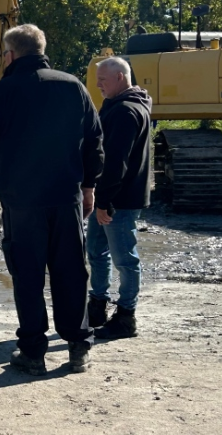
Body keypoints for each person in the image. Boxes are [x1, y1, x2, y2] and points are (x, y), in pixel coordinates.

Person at [0, 24, 104, 375]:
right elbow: (95, 140)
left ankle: (34, 351)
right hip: (66, 196)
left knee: (28, 275)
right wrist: (89, 187)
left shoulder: (2, 91)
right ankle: (78, 346)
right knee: (71, 272)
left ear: (10, 54)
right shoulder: (74, 87)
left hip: (23, 201)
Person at [87, 57, 151, 339]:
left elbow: (116, 162)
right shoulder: (118, 105)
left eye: (103, 78)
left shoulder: (126, 111)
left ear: (121, 78)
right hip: (113, 197)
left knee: (124, 258)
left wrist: (103, 202)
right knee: (97, 252)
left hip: (119, 200)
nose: (98, 83)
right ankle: (97, 306)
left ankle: (126, 317)